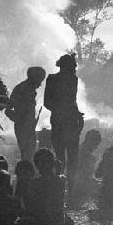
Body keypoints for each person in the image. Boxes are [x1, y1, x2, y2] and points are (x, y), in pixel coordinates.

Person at [44, 54, 84, 204]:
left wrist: (76, 114)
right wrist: (68, 111)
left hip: (67, 121)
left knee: (69, 158)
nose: (73, 69)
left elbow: (71, 101)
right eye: (71, 66)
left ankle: (68, 193)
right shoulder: (54, 79)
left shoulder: (71, 79)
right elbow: (48, 102)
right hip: (63, 121)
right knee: (64, 158)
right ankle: (62, 192)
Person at [7, 67, 46, 163]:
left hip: (29, 127)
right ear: (33, 78)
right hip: (23, 127)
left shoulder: (28, 90)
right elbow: (8, 108)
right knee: (27, 155)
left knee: (28, 155)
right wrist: (19, 120)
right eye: (39, 80)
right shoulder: (21, 89)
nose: (40, 84)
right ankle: (25, 174)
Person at [23, 149, 66, 225]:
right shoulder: (61, 180)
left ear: (37, 166)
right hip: (58, 223)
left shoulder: (34, 184)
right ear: (52, 163)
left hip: (41, 223)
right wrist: (57, 169)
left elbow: (29, 207)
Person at [76, 129, 102, 202]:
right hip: (80, 191)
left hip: (82, 188)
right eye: (96, 144)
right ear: (90, 142)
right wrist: (97, 183)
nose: (96, 147)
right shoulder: (86, 156)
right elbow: (84, 177)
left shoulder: (81, 151)